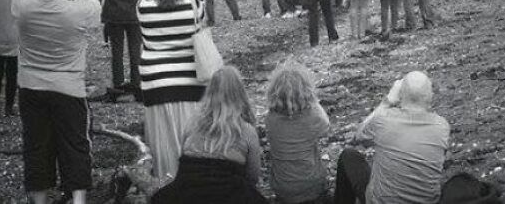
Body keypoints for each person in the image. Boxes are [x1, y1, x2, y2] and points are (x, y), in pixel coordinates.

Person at [12, 0, 101, 204]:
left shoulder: (22, 6)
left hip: (30, 86)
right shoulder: (77, 11)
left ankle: (39, 200)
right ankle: (78, 199)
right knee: (75, 145)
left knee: (36, 146)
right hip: (68, 88)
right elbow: (94, 1)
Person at [151, 66, 266, 204]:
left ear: (209, 93)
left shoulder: (192, 124)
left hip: (188, 193)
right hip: (227, 194)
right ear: (240, 94)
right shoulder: (247, 131)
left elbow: (181, 162)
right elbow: (253, 177)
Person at [137, 0, 206, 185]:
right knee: (191, 136)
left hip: (156, 82)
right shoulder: (192, 5)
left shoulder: (144, 7)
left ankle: (166, 183)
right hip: (189, 80)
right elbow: (201, 19)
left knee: (162, 141)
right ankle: (193, 182)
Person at [333, 71, 449, 204]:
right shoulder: (442, 126)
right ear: (430, 96)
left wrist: (387, 100)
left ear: (400, 94)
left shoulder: (383, 121)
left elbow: (358, 136)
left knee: (349, 155)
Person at [265, 61, 330, 204]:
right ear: (306, 91)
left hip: (282, 188)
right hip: (311, 185)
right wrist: (313, 101)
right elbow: (326, 126)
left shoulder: (270, 119)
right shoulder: (312, 118)